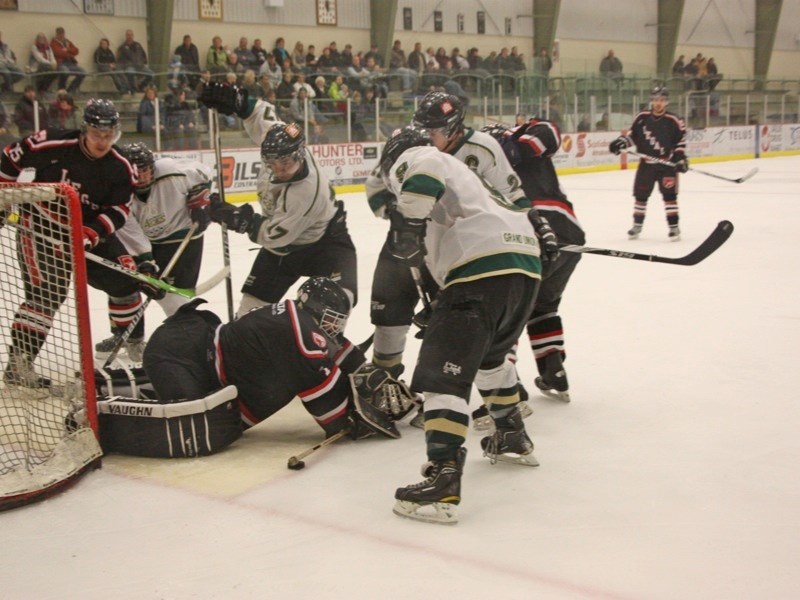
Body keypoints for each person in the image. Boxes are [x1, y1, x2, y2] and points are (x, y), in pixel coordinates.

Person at [377, 128, 542, 524]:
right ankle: (512, 434)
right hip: (524, 270)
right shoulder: (470, 181)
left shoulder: (419, 156)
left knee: (441, 378)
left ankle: (444, 476)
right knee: (490, 360)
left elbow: (425, 166)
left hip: (481, 266)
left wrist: (408, 224)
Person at [365, 91, 530, 387]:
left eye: (435, 131)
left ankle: (491, 381)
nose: (427, 135)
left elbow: (513, 198)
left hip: (463, 247)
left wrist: (532, 229)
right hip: (411, 236)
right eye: (423, 127)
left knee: (464, 319)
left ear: (454, 128)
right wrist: (401, 219)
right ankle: (385, 380)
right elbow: (376, 187)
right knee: (389, 302)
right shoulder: (408, 144)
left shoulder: (484, 148)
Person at [141, 278, 414, 444]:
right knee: (195, 430)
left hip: (191, 345)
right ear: (315, 310)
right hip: (179, 355)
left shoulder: (297, 318)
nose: (334, 327)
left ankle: (143, 385)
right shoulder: (298, 334)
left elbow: (336, 348)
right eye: (331, 319)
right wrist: (368, 411)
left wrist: (369, 373)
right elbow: (335, 419)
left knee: (210, 419)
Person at [0, 99, 148, 384]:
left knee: (126, 280)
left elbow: (119, 210)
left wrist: (91, 233)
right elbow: (10, 157)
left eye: (109, 135)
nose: (103, 142)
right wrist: (4, 198)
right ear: (84, 130)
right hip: (41, 225)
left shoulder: (120, 167)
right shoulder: (51, 143)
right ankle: (18, 366)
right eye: (96, 134)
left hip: (88, 230)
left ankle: (130, 343)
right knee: (48, 293)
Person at [199, 83, 358, 318]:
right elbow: (261, 114)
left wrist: (241, 220)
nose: (280, 170)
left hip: (326, 244)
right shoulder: (281, 140)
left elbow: (277, 237)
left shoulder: (307, 192)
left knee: (330, 312)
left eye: (286, 163)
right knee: (247, 317)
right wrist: (239, 101)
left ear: (299, 155)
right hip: (283, 251)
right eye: (272, 163)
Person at [482, 119, 586, 403]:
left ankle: (507, 379)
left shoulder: (522, 138)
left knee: (512, 308)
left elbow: (546, 135)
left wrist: (507, 143)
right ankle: (554, 370)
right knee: (544, 307)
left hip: (535, 230)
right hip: (569, 235)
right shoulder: (493, 159)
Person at [110, 142, 212, 322]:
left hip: (183, 235)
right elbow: (132, 235)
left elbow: (204, 174)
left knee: (171, 295)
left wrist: (201, 198)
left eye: (145, 170)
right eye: (135, 171)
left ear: (153, 167)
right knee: (131, 284)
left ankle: (187, 331)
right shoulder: (119, 193)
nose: (141, 176)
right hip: (150, 241)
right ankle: (133, 338)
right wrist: (147, 265)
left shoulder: (170, 170)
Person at [609, 86, 688, 241]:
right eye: (656, 100)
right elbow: (633, 137)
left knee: (669, 196)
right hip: (646, 165)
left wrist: (679, 158)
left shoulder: (674, 120)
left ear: (666, 102)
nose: (658, 103)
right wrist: (621, 142)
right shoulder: (642, 118)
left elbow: (681, 141)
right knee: (640, 196)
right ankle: (637, 225)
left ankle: (673, 227)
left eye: (662, 100)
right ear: (651, 101)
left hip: (667, 165)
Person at [50, 27, 86, 94]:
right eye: (59, 34)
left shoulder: (67, 42)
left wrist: (67, 50)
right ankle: (61, 89)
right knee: (65, 72)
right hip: (60, 63)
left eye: (62, 34)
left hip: (70, 63)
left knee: (83, 72)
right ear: (56, 34)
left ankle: (70, 90)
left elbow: (76, 50)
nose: (61, 36)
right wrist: (69, 54)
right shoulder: (53, 43)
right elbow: (58, 53)